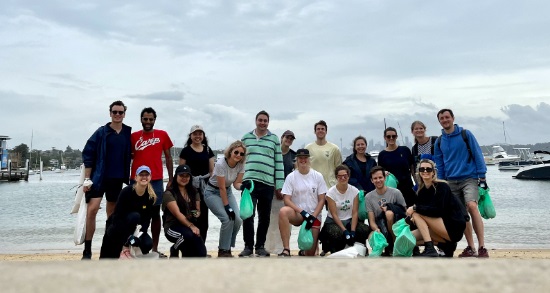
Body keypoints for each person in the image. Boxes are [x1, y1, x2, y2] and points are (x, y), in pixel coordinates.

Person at [433, 108, 489, 258]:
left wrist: (482, 176)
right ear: (439, 121)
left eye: (447, 117)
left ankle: (482, 246)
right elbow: (440, 164)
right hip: (450, 181)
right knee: (461, 215)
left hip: (469, 178)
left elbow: (477, 153)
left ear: (453, 118)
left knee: (471, 206)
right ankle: (471, 247)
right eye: (442, 118)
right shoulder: (439, 141)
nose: (445, 120)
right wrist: (442, 183)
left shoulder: (466, 134)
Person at [81, 100, 132, 260]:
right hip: (99, 177)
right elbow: (88, 153)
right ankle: (87, 250)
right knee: (92, 210)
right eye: (115, 112)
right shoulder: (101, 132)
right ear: (110, 113)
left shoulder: (127, 133)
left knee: (112, 216)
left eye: (120, 112)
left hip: (117, 179)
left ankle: (109, 247)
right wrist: (87, 179)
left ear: (124, 114)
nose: (117, 115)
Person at [239, 110, 285, 257]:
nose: (263, 123)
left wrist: (279, 185)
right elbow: (240, 161)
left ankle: (260, 247)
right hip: (249, 182)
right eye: (260, 120)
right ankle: (248, 246)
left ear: (268, 122)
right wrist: (240, 180)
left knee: (264, 217)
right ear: (256, 121)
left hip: (267, 183)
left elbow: (279, 163)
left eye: (265, 120)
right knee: (248, 215)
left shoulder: (274, 139)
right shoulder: (246, 138)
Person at [130, 107, 174, 257]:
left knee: (155, 213)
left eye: (151, 119)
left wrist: (171, 178)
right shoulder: (133, 136)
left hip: (155, 180)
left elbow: (168, 158)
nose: (148, 122)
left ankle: (154, 249)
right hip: (136, 181)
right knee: (135, 214)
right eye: (145, 119)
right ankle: (133, 247)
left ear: (155, 120)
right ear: (141, 119)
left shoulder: (162, 135)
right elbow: (126, 158)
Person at [406, 159, 468, 257]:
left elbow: (438, 211)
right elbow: (425, 212)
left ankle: (430, 249)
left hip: (452, 227)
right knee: (407, 238)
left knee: (416, 213)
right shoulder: (421, 192)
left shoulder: (442, 186)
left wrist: (414, 209)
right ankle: (445, 246)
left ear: (433, 172)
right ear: (419, 172)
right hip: (438, 228)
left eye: (428, 169)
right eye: (422, 169)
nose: (425, 171)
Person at [99, 165, 156, 259]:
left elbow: (146, 220)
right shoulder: (126, 192)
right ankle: (124, 247)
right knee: (135, 216)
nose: (144, 177)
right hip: (116, 227)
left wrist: (140, 235)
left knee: (147, 244)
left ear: (150, 177)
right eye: (141, 175)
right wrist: (128, 237)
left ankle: (132, 254)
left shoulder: (151, 196)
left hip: (134, 230)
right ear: (136, 177)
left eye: (147, 175)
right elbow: (117, 218)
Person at [277, 149, 327, 257]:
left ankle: (304, 251)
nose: (303, 160)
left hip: (314, 215)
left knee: (310, 254)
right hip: (298, 214)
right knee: (283, 211)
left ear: (309, 159)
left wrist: (313, 216)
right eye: (300, 158)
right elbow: (286, 199)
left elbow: (322, 199)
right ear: (297, 160)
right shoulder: (291, 177)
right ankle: (286, 248)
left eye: (305, 158)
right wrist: (302, 212)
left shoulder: (318, 176)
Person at [204, 141, 246, 257]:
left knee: (237, 219)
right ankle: (223, 250)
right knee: (227, 218)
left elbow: (236, 184)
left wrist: (243, 186)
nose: (238, 155)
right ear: (230, 151)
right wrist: (227, 207)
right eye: (236, 152)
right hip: (212, 192)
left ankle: (227, 246)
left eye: (241, 154)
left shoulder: (241, 165)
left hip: (227, 191)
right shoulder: (221, 163)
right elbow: (221, 187)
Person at [319, 165, 371, 254]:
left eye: (345, 176)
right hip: (334, 221)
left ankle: (361, 248)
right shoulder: (330, 193)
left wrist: (353, 231)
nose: (343, 178)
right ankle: (330, 247)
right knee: (337, 233)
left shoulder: (355, 191)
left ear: (348, 176)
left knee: (364, 230)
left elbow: (355, 213)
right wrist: (345, 231)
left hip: (350, 220)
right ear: (336, 177)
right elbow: (334, 214)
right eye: (340, 176)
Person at [179, 125, 214, 243]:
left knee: (204, 219)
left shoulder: (208, 150)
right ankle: (190, 247)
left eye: (200, 134)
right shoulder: (186, 151)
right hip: (189, 187)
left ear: (203, 136)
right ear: (191, 136)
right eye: (195, 134)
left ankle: (201, 247)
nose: (197, 136)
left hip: (205, 188)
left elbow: (212, 171)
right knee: (190, 216)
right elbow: (180, 170)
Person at [162, 165, 207, 258]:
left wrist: (195, 214)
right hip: (172, 226)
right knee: (187, 236)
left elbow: (198, 210)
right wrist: (191, 226)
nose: (184, 178)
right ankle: (174, 248)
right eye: (181, 175)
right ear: (176, 176)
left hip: (189, 226)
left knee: (201, 254)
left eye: (187, 176)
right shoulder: (169, 193)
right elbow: (177, 214)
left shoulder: (194, 191)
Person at [265, 130, 296, 253]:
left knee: (286, 222)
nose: (288, 140)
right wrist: (276, 188)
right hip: (272, 191)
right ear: (282, 138)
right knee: (271, 221)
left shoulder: (293, 155)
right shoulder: (274, 153)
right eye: (287, 137)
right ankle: (269, 248)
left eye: (291, 139)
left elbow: (295, 175)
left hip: (287, 194)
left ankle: (284, 247)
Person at [365, 166, 407, 256]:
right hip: (379, 225)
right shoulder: (368, 197)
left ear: (385, 178)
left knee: (389, 213)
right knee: (372, 237)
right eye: (375, 178)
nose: (378, 180)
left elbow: (405, 213)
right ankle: (383, 250)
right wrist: (376, 230)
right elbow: (371, 221)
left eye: (380, 177)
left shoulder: (396, 193)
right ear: (372, 180)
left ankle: (394, 243)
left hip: (395, 225)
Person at [378, 127, 416, 207]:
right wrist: (383, 172)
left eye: (393, 136)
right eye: (388, 136)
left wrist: (417, 183)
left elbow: (412, 168)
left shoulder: (405, 150)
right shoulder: (382, 155)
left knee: (411, 212)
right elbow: (379, 172)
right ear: (385, 138)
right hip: (392, 189)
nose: (391, 138)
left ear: (396, 137)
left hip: (408, 187)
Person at [305, 120, 342, 189]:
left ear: (326, 131)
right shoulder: (308, 148)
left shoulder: (334, 149)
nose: (320, 131)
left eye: (322, 129)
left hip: (330, 188)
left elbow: (339, 169)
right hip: (313, 187)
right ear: (315, 132)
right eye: (318, 129)